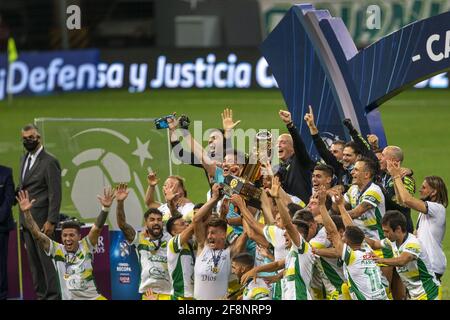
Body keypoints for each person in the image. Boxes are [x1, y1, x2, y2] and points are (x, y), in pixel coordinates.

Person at [16, 188, 112, 300]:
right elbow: (36, 233)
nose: (68, 238)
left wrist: (105, 208)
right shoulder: (56, 250)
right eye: (65, 235)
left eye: (72, 235)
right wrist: (27, 213)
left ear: (79, 237)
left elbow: (97, 228)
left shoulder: (86, 245)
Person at [317, 187, 388, 300]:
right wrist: (340, 206)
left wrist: (321, 206)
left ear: (348, 241)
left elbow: (333, 232)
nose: (342, 239)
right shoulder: (366, 248)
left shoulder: (352, 256)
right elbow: (351, 227)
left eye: (344, 237)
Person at [18, 124, 61, 300]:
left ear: (39, 137)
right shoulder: (24, 159)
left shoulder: (50, 161)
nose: (28, 141)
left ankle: (53, 297)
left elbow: (55, 193)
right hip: (27, 222)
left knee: (47, 265)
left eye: (31, 137)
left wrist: (51, 220)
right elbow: (25, 186)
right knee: (35, 267)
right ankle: (41, 297)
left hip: (43, 223)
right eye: (25, 138)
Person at [387, 160, 448, 281]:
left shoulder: (437, 208)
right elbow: (400, 200)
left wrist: (396, 175)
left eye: (424, 188)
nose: (420, 190)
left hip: (432, 264)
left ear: (434, 191)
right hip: (425, 264)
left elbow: (407, 200)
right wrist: (395, 178)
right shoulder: (426, 211)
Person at [366, 211, 441, 300]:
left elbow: (402, 260)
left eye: (387, 231)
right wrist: (357, 235)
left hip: (429, 293)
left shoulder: (413, 243)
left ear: (398, 229)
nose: (385, 235)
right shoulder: (391, 241)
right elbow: (374, 244)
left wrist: (381, 260)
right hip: (414, 295)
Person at [165, 183, 222, 300]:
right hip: (180, 297)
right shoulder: (173, 244)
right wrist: (213, 199)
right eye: (182, 224)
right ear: (174, 231)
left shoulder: (191, 244)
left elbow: (198, 224)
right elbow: (195, 222)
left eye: (186, 222)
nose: (186, 224)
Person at [116, 183, 172, 299]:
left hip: (169, 294)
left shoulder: (171, 239)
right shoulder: (140, 239)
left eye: (159, 220)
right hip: (148, 294)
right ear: (146, 222)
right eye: (152, 220)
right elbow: (122, 224)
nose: (156, 222)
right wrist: (120, 203)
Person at [193, 196, 247, 300]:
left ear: (224, 235)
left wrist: (241, 205)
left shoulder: (228, 254)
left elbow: (245, 233)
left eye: (212, 233)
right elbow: (196, 220)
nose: (209, 236)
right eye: (208, 233)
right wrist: (214, 198)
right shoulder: (202, 248)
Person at [277, 110, 315, 203]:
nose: (279, 145)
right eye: (277, 143)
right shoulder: (281, 168)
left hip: (302, 212)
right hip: (287, 210)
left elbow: (299, 145)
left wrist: (290, 125)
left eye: (283, 142)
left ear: (293, 147)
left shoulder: (299, 160)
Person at [379, 146, 415, 233]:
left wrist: (379, 190)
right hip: (388, 228)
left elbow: (403, 204)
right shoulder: (383, 175)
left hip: (401, 230)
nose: (380, 158)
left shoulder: (406, 179)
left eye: (383, 156)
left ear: (393, 160)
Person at [0, 165, 14, 300]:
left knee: (1, 265)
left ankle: (2, 295)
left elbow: (9, 198)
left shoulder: (6, 172)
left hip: (1, 226)